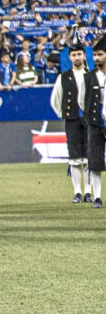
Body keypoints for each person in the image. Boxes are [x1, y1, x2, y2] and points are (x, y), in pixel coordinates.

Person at [50, 43, 92, 203]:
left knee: (88, 157)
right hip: (72, 120)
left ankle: (88, 192)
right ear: (69, 57)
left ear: (84, 55)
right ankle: (77, 192)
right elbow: (55, 99)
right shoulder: (63, 77)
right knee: (74, 157)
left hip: (90, 121)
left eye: (79, 54)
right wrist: (64, 114)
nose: (77, 57)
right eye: (74, 55)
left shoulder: (93, 75)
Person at [82, 37, 106, 208]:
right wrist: (89, 117)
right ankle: (97, 197)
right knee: (95, 161)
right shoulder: (89, 77)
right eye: (95, 55)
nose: (96, 58)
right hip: (95, 123)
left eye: (100, 54)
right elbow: (81, 100)